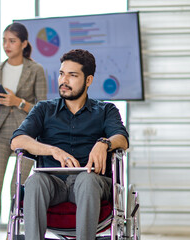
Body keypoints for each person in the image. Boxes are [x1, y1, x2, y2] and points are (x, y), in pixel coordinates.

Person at [10, 49, 129, 240]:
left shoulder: (106, 110)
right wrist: (52, 150)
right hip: (53, 183)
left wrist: (104, 143)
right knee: (34, 182)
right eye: (61, 74)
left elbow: (122, 138)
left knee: (86, 180)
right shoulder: (44, 109)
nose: (64, 81)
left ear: (88, 80)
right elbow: (17, 140)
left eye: (72, 75)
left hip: (91, 181)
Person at [0, 22, 47, 240]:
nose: (7, 45)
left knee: (16, 185)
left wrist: (18, 102)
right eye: (4, 40)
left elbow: (43, 109)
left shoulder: (36, 70)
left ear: (24, 44)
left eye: (12, 41)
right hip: (0, 134)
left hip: (26, 135)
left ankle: (14, 234)